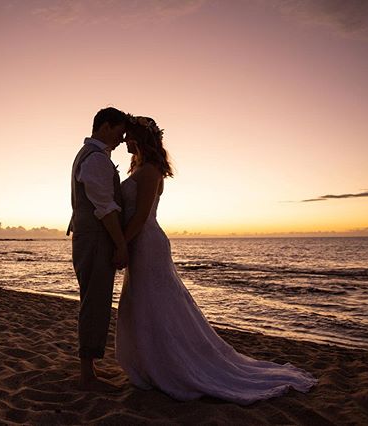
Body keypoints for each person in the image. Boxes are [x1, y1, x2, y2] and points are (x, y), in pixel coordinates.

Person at [115, 116, 318, 403]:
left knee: (154, 303)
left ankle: (169, 365)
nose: (123, 140)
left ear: (138, 138)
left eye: (128, 136)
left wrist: (121, 243)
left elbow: (140, 216)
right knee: (144, 303)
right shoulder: (141, 168)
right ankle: (150, 362)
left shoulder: (149, 171)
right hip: (140, 242)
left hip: (146, 242)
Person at [67, 107, 128, 391]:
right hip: (95, 239)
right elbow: (104, 208)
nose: (121, 138)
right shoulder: (96, 160)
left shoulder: (87, 155)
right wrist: (120, 244)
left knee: (92, 300)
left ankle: (88, 368)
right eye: (119, 132)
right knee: (96, 302)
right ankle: (87, 374)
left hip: (87, 237)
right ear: (105, 126)